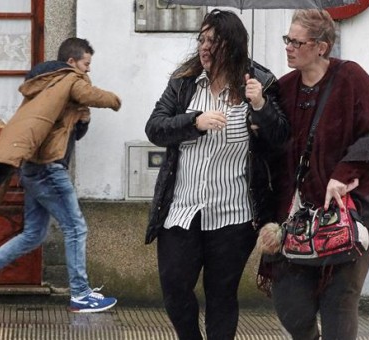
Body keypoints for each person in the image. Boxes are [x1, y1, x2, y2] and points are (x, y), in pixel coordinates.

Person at [144, 9, 289, 340]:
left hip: (233, 214)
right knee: (175, 287)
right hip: (181, 210)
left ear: (234, 45)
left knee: (221, 295)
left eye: (214, 41)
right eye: (202, 39)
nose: (205, 47)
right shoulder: (184, 83)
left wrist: (261, 106)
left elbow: (281, 138)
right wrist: (193, 122)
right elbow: (155, 128)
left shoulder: (260, 83)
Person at [0, 37, 121, 313]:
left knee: (34, 234)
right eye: (86, 64)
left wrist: (83, 119)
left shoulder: (48, 86)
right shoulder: (68, 79)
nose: (88, 71)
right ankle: (81, 294)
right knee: (75, 228)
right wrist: (116, 100)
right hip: (48, 169)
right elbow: (93, 95)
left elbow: (74, 134)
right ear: (71, 63)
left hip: (35, 167)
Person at [259, 9, 369, 340]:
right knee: (290, 302)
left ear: (321, 46)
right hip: (300, 216)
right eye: (287, 39)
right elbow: (272, 147)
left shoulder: (351, 78)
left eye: (296, 41)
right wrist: (259, 113)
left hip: (354, 212)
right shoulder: (284, 88)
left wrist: (343, 173)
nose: (288, 47)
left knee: (339, 301)